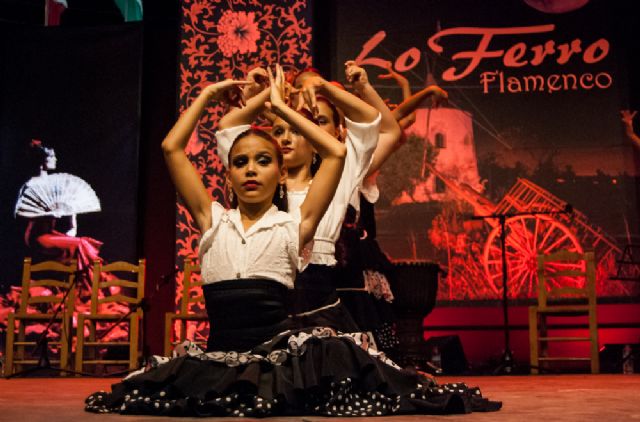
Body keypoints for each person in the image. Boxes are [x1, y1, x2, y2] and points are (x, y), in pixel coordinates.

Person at [85, 66, 500, 416]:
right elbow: (181, 146)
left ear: (279, 169)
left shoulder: (296, 219)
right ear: (230, 175)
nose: (258, 163)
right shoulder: (220, 217)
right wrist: (220, 95)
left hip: (312, 295)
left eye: (267, 158)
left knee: (322, 380)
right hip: (238, 334)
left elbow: (353, 144)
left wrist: (298, 101)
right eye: (246, 161)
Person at [216, 64, 384, 332]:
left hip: (318, 295)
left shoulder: (335, 178)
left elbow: (368, 120)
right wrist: (270, 94)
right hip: (266, 287)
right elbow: (229, 128)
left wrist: (323, 87)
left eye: (297, 130)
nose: (286, 139)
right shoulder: (261, 179)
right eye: (279, 131)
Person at [15, 139, 102, 275]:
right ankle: (87, 284)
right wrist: (47, 214)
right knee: (79, 245)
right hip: (37, 236)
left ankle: (86, 284)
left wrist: (73, 227)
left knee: (84, 242)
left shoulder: (55, 183)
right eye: (51, 156)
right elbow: (20, 213)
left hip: (51, 233)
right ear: (42, 162)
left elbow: (71, 202)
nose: (55, 159)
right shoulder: (31, 184)